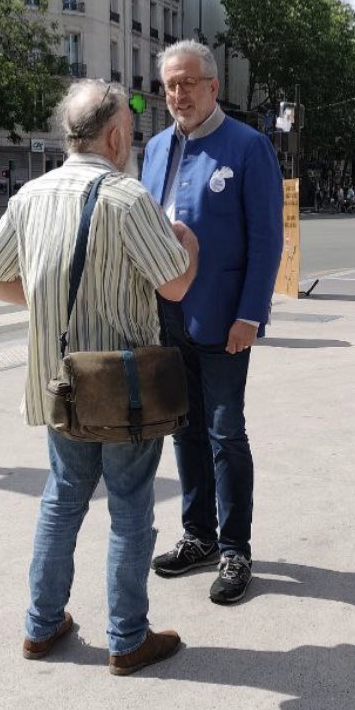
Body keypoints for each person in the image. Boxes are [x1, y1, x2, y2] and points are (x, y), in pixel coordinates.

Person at [0, 80, 199, 675]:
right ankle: (127, 638)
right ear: (116, 136)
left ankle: (41, 625)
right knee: (130, 506)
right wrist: (189, 243)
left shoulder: (30, 195)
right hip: (124, 387)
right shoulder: (128, 197)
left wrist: (47, 305)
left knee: (63, 497)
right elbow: (176, 284)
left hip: (62, 384)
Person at [141, 40, 284, 605]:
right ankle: (198, 534)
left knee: (225, 432)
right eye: (170, 85)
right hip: (167, 313)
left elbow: (267, 240)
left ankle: (235, 549)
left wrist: (251, 314)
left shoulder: (248, 146)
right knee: (185, 428)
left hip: (225, 318)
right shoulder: (155, 148)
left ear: (213, 86)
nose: (179, 94)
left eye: (188, 83)